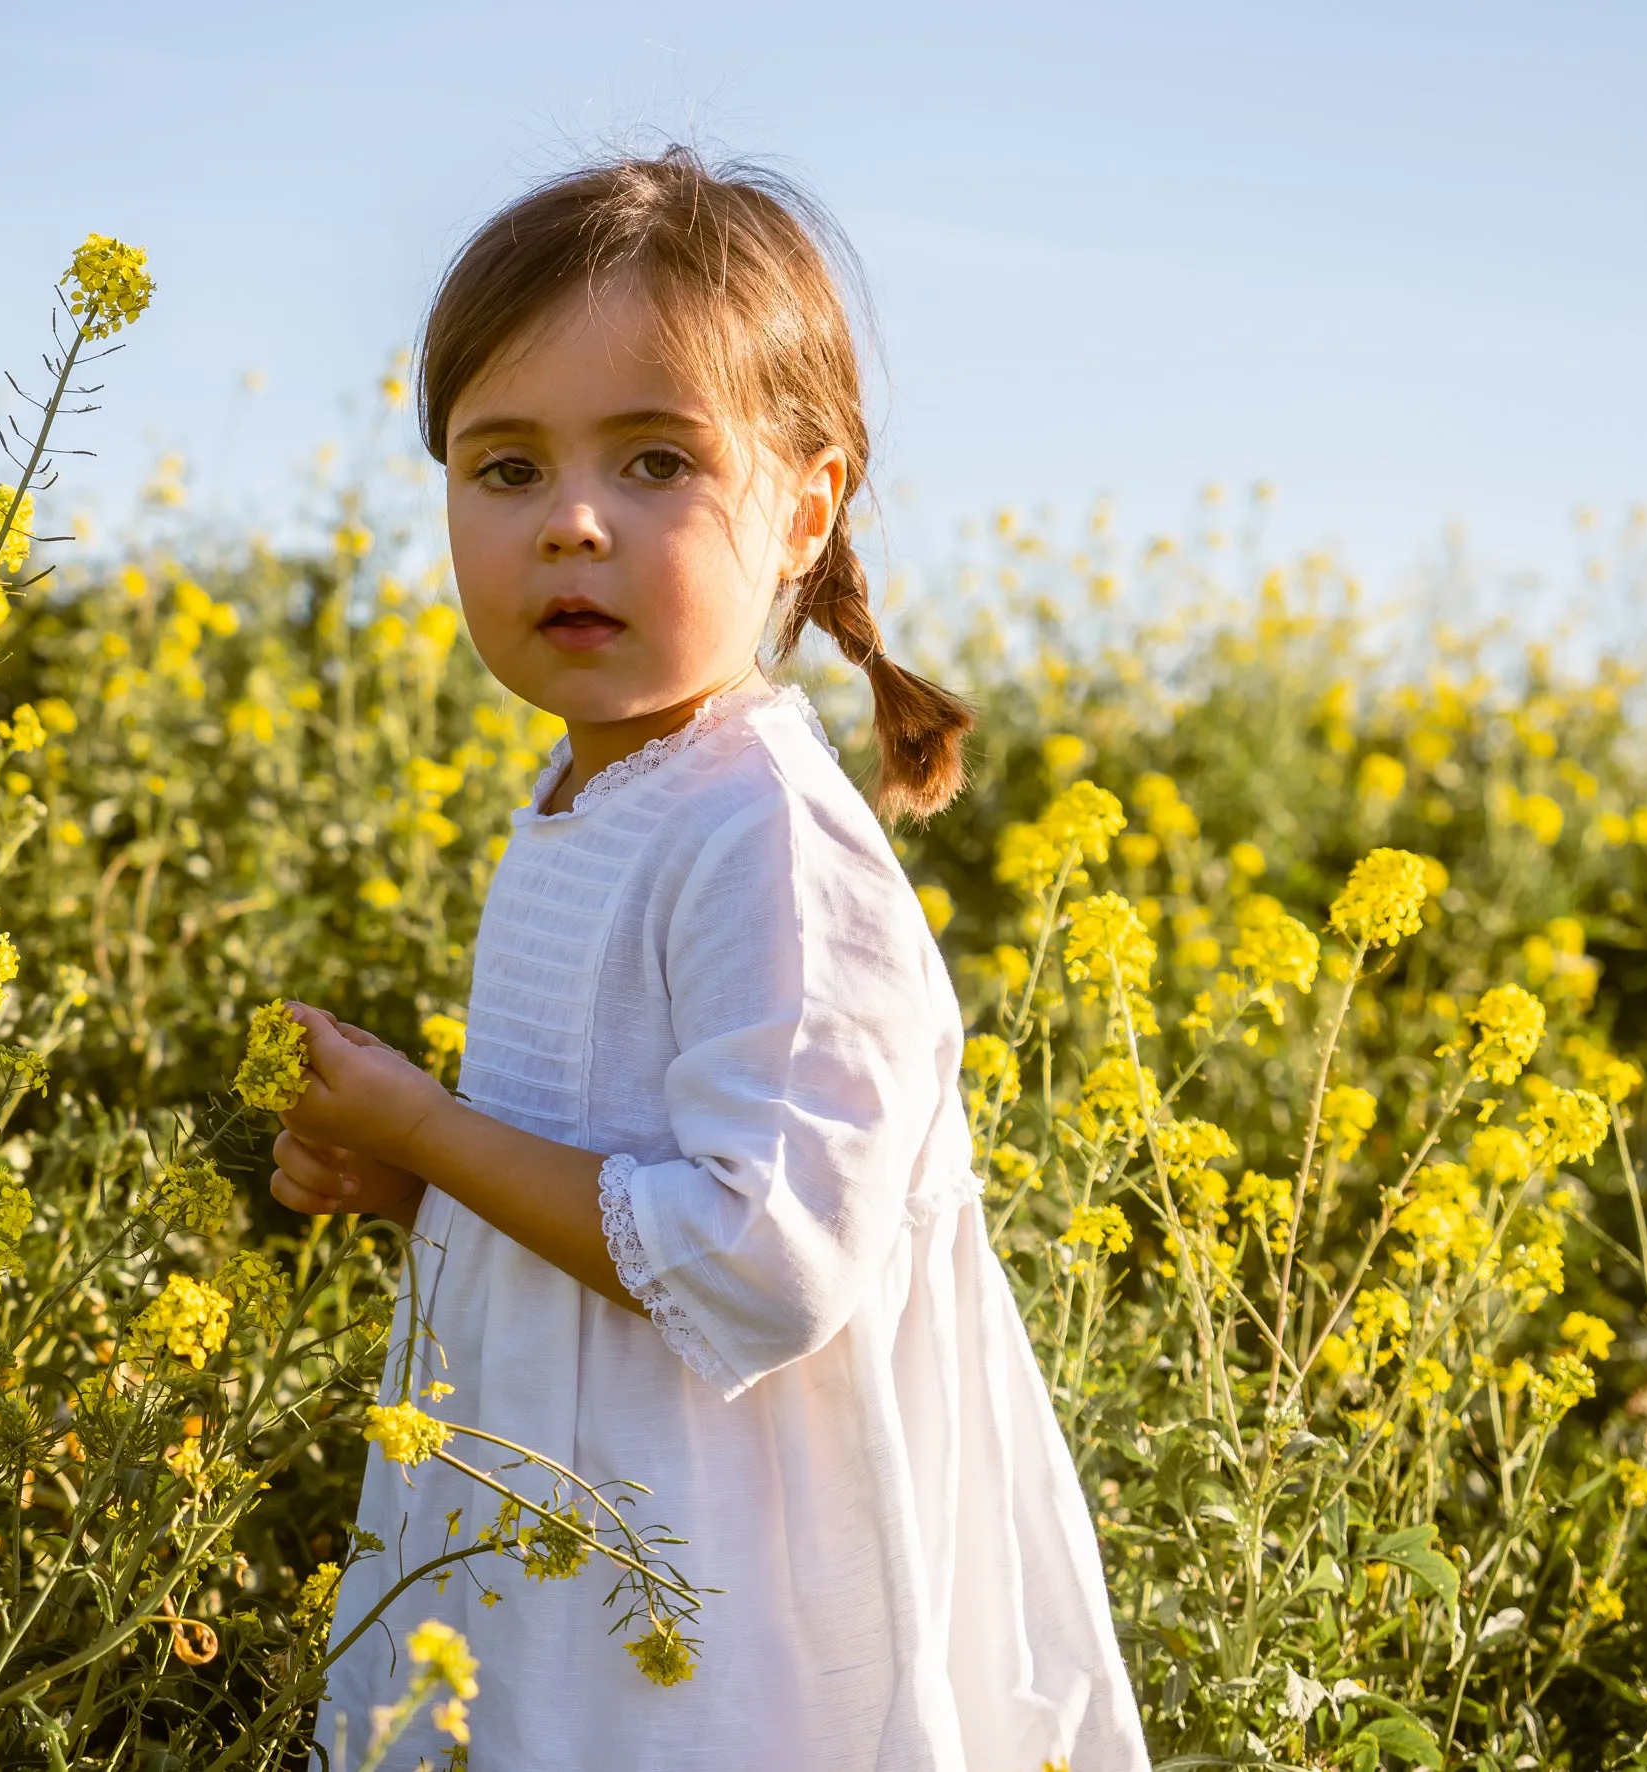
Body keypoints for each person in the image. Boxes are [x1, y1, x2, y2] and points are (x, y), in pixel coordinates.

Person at [269, 147, 1148, 1772]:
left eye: (658, 460)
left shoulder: (764, 833)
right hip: (575, 1543)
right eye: (504, 468)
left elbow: (759, 1259)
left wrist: (428, 1131)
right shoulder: (591, 793)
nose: (573, 523)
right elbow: (616, 1183)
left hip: (712, 1608)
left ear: (804, 510)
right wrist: (415, 1189)